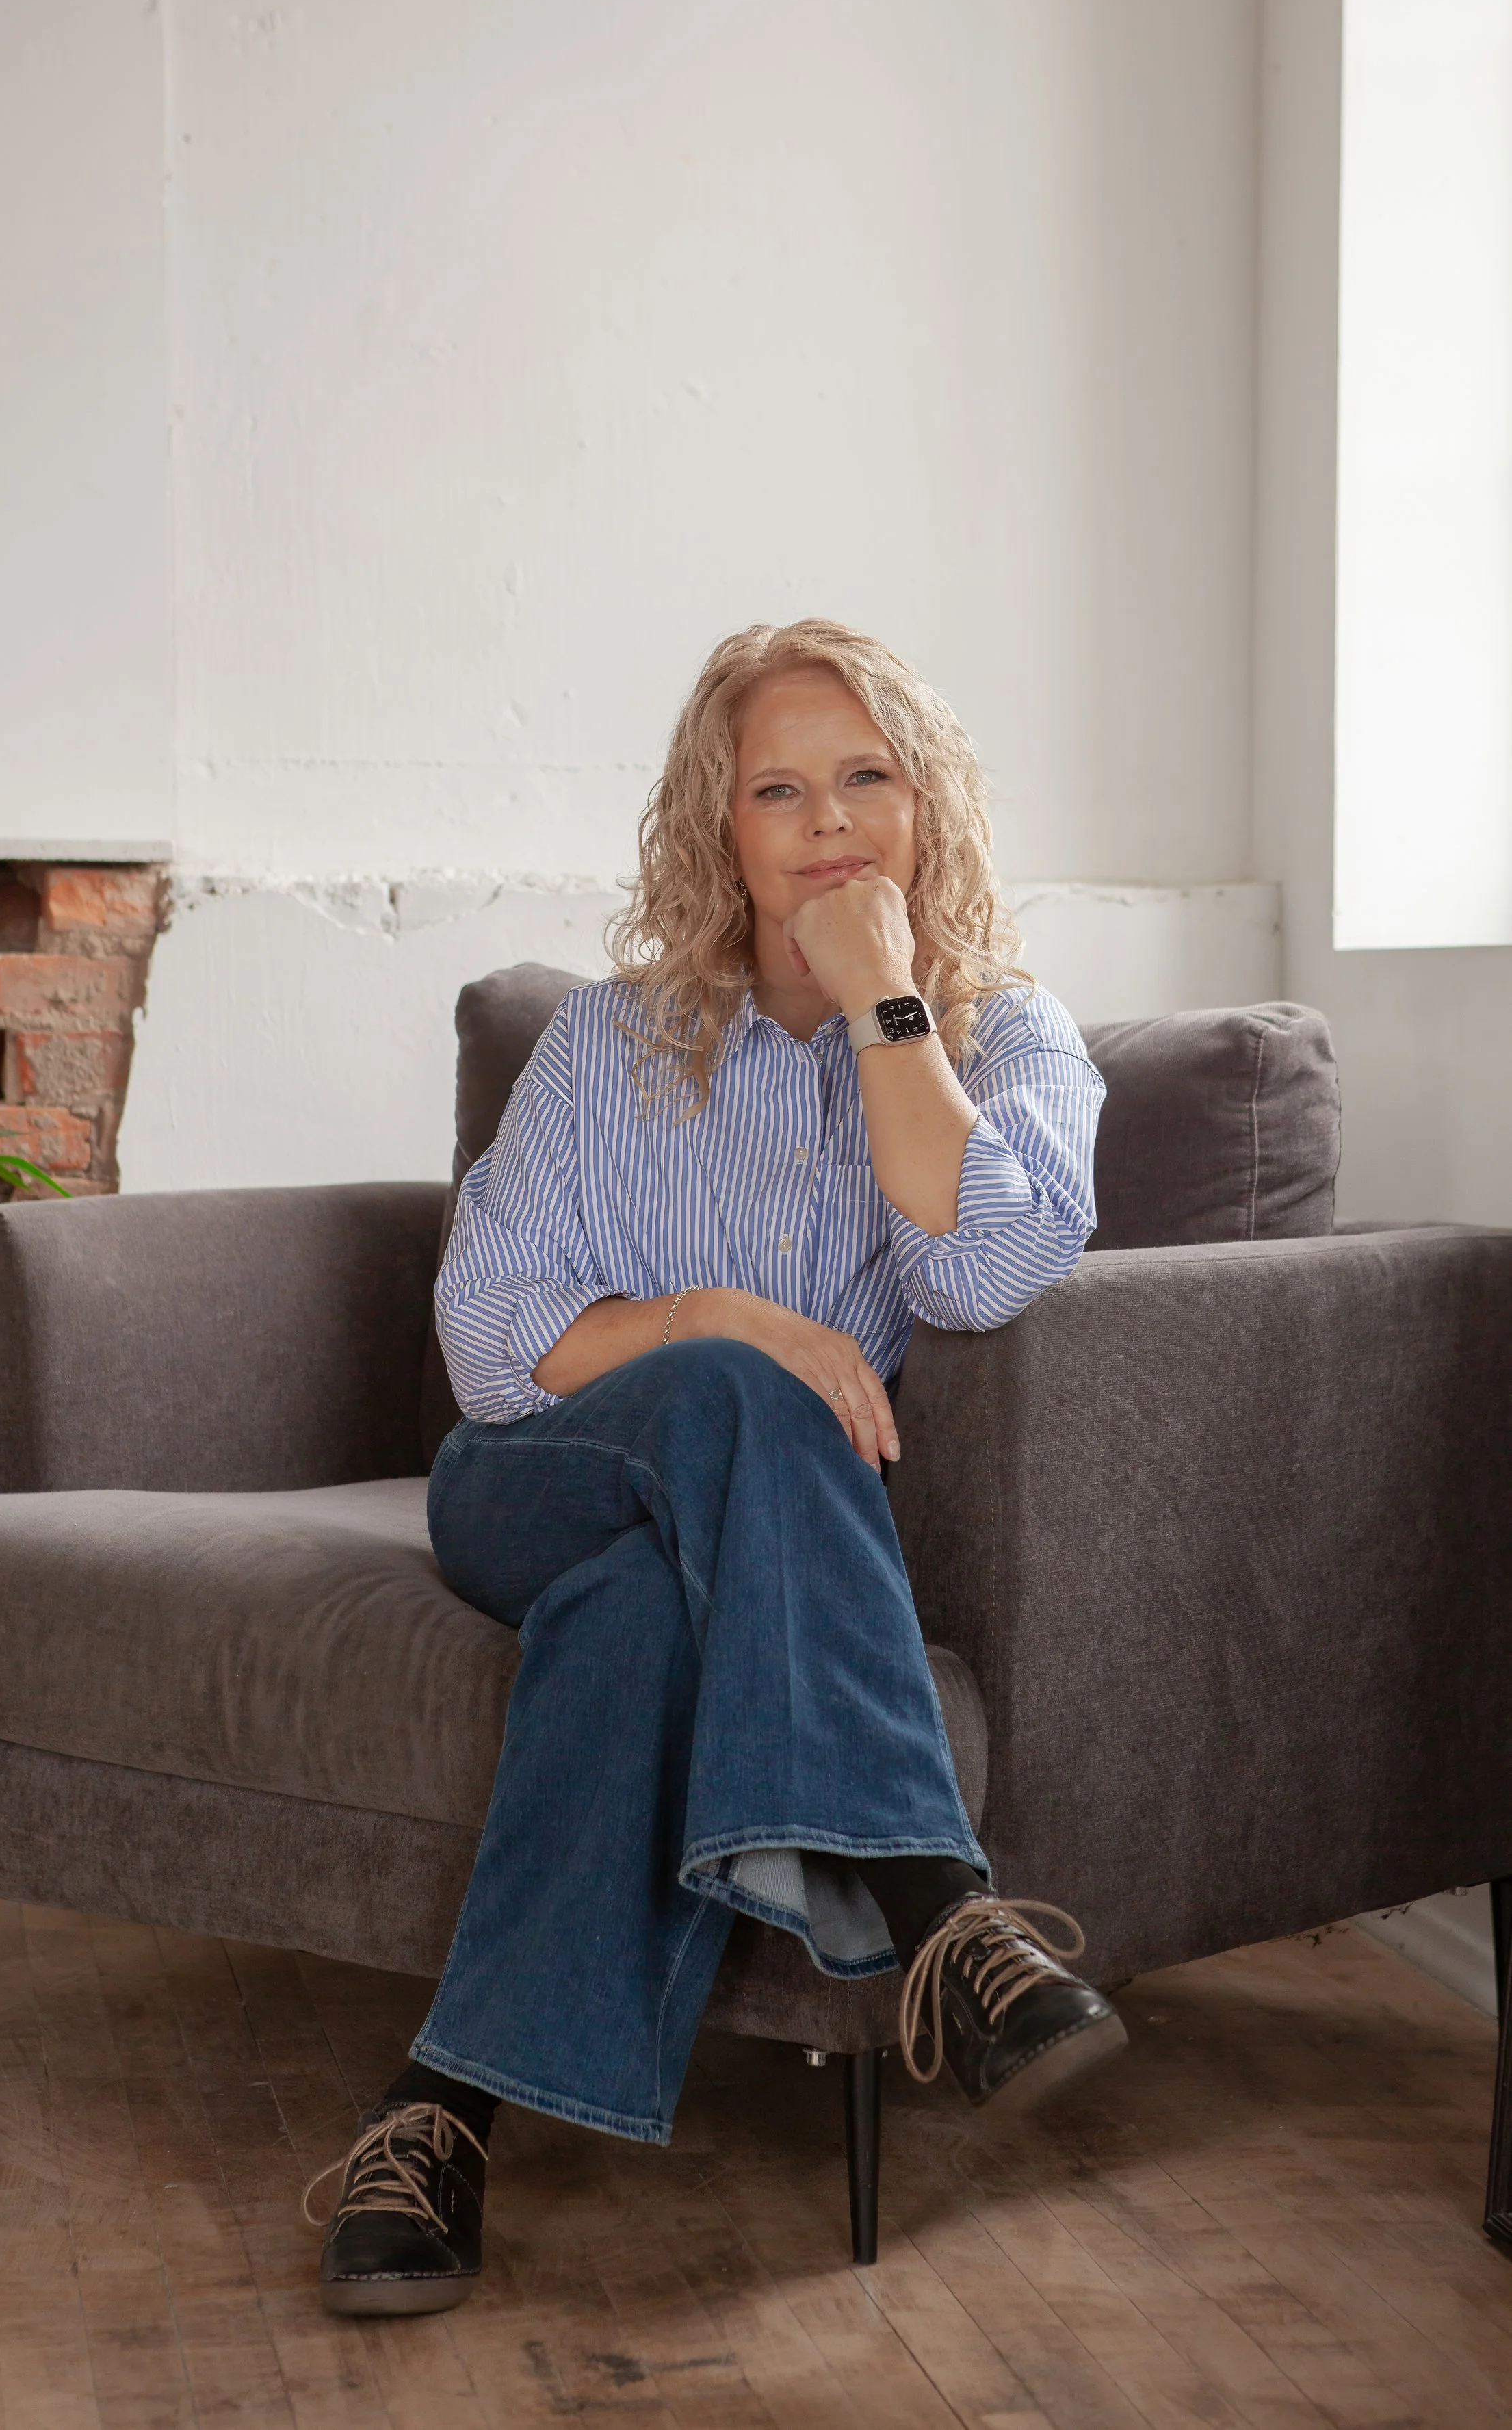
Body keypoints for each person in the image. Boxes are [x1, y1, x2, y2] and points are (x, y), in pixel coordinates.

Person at [308, 619, 1124, 2316]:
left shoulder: (1008, 1040)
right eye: (777, 790)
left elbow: (977, 1269)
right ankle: (940, 1916)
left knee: (634, 1626)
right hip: (531, 1480)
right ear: (719, 826)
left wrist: (885, 1002)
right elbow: (489, 1334)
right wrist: (711, 1322)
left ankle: (435, 2117)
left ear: (924, 807)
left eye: (863, 779)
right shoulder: (610, 1039)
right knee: (745, 1387)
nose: (825, 824)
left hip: (721, 1542)